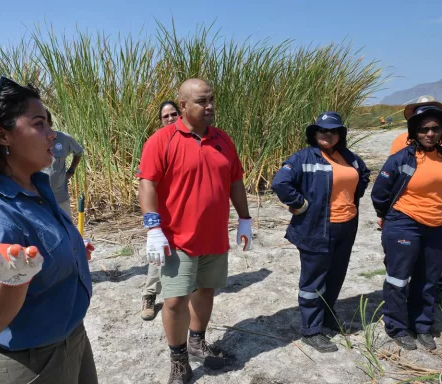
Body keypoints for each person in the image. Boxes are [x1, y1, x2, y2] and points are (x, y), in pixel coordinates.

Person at [0, 76, 97, 383]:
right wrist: (14, 279)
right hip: (27, 365)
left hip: (70, 341)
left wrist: (70, 251)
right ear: (2, 135)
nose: (52, 135)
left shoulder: (34, 186)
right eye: (39, 124)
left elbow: (39, 251)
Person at [137, 78, 252, 383]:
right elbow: (146, 183)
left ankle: (197, 340)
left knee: (206, 290)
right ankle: (178, 359)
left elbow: (235, 181)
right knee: (175, 300)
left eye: (212, 99)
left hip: (214, 237)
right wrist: (153, 228)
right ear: (183, 105)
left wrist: (245, 219)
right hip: (176, 239)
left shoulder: (223, 140)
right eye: (202, 101)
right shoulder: (162, 140)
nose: (210, 106)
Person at [272, 112, 370, 353]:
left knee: (336, 276)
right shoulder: (303, 158)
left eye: (333, 130)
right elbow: (280, 183)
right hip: (315, 228)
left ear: (340, 134)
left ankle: (328, 316)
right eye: (322, 130)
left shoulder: (349, 157)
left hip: (346, 227)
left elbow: (364, 175)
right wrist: (299, 203)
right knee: (313, 281)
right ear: (314, 133)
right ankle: (311, 330)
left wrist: (350, 199)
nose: (328, 134)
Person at [372, 98, 442, 351]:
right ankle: (397, 327)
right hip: (404, 223)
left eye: (435, 128)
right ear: (414, 132)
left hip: (436, 226)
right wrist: (389, 216)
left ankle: (422, 325)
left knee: (429, 279)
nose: (430, 133)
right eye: (424, 129)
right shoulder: (402, 158)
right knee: (398, 278)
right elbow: (379, 193)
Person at [141, 100, 181, 321]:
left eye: (173, 114)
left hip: (183, 213)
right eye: (165, 116)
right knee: (158, 254)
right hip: (160, 211)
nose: (170, 118)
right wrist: (151, 221)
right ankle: (149, 295)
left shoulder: (190, 141)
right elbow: (146, 183)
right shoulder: (156, 143)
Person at [42, 109, 83, 219]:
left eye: (44, 123)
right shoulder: (30, 142)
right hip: (39, 198)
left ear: (50, 123)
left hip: (60, 197)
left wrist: (71, 171)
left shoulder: (64, 139)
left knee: (66, 229)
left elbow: (79, 152)